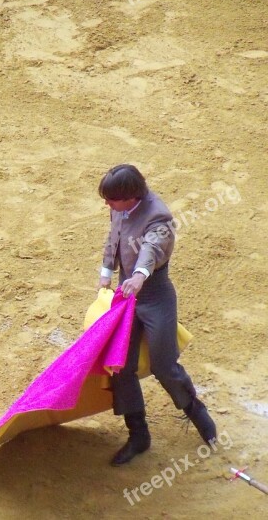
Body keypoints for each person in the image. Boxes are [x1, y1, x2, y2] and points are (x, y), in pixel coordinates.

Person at [97, 164, 216, 466]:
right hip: (127, 295)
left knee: (164, 365)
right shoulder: (120, 206)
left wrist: (138, 274)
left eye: (112, 200)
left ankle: (195, 411)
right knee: (120, 363)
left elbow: (152, 248)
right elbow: (114, 235)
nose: (107, 205)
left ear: (130, 196)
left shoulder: (158, 216)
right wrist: (106, 270)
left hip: (155, 296)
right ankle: (139, 435)